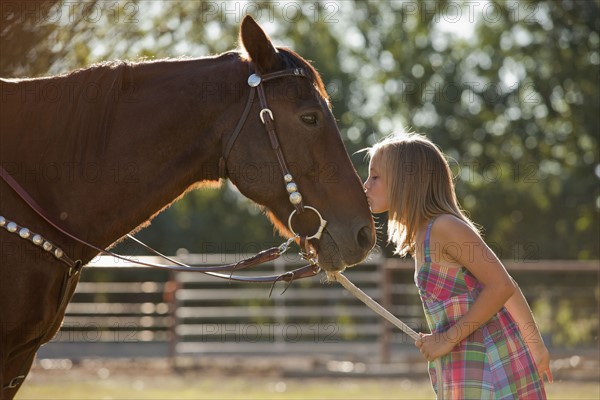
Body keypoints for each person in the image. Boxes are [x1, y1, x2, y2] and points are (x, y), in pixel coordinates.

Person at [363, 132, 552, 399]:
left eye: (375, 176)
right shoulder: (424, 235)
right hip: (466, 366)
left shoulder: (444, 227)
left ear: (406, 180)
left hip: (493, 365)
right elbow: (504, 285)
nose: (365, 185)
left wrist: (535, 346)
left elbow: (502, 285)